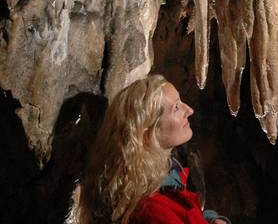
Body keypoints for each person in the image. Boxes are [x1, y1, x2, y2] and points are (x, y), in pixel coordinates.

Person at [78, 75, 230, 224]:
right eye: (176, 108)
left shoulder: (163, 181)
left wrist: (209, 218)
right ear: (147, 134)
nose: (189, 110)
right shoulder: (153, 211)